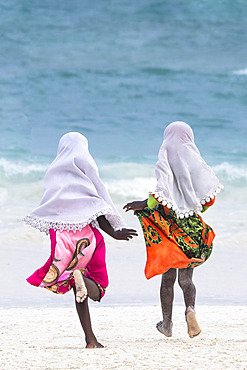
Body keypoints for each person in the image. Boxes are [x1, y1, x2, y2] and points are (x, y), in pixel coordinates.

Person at [24, 132, 137, 348]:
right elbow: (98, 206)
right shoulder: (87, 172)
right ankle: (82, 284)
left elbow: (50, 208)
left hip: (62, 239)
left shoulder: (53, 174)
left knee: (77, 288)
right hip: (89, 239)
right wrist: (114, 232)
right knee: (98, 286)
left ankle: (90, 340)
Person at [124, 121, 223, 338]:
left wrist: (144, 203)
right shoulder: (195, 161)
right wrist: (192, 206)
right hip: (193, 230)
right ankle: (190, 310)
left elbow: (161, 193)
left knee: (168, 279)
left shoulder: (165, 157)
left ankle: (167, 324)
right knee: (186, 280)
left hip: (171, 232)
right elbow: (208, 201)